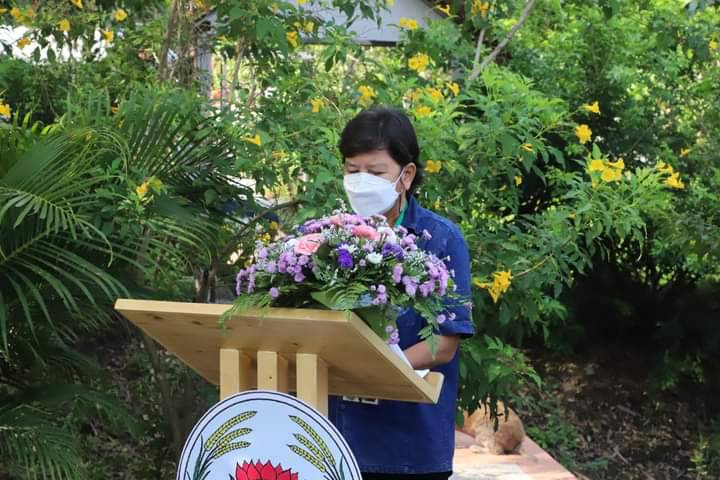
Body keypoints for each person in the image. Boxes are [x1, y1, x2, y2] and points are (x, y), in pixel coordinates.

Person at [329, 106, 475, 480]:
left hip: (409, 446)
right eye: (351, 170)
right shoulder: (329, 238)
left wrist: (374, 370)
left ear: (406, 174)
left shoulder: (441, 240)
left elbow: (443, 344)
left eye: (375, 172)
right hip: (334, 440)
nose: (361, 181)